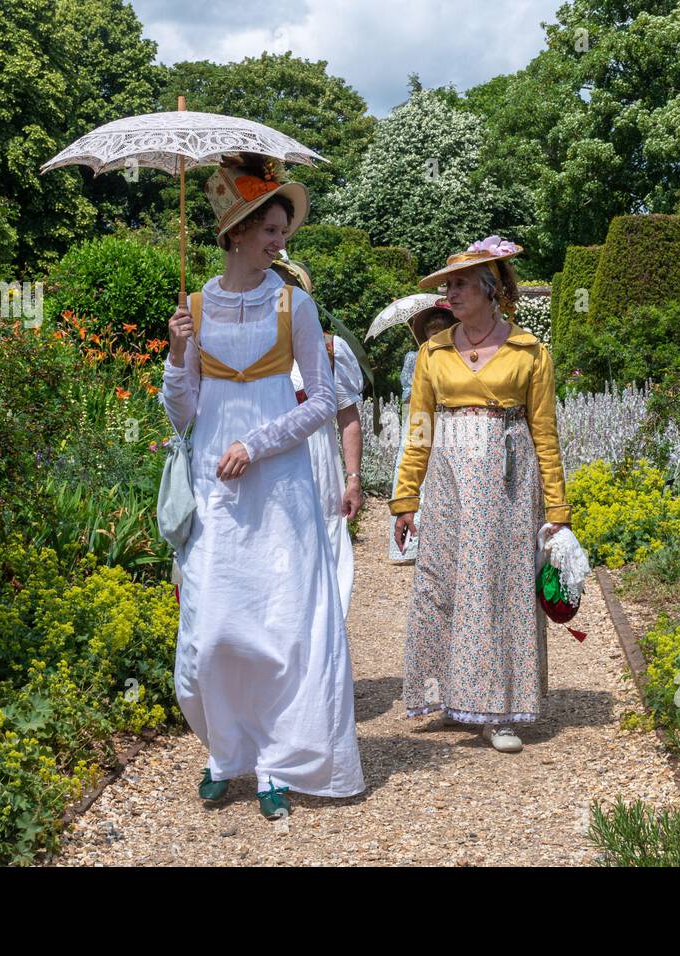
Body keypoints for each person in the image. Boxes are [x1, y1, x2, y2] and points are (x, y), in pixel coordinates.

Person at [161, 153, 365, 818]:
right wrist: (174, 353)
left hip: (277, 487)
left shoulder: (294, 304)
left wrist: (257, 443)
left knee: (282, 624)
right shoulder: (194, 309)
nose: (280, 242)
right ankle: (227, 752)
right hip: (216, 490)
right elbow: (185, 413)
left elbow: (321, 400)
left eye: (283, 231)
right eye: (270, 230)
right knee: (214, 630)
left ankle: (278, 761)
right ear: (237, 232)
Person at [389, 236, 571, 753]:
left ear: (491, 289)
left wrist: (557, 508)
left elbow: (545, 432)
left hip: (508, 482)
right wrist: (406, 498)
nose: (451, 293)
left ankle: (500, 709)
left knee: (498, 588)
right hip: (448, 480)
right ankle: (445, 696)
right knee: (442, 581)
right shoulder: (433, 351)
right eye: (448, 285)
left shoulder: (529, 351)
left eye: (461, 284)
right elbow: (419, 427)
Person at [273, 256, 366, 617]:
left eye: (284, 288)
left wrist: (354, 479)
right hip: (269, 456)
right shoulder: (252, 346)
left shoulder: (330, 349)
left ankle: (327, 630)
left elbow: (348, 418)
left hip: (316, 455)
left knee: (325, 537)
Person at [387, 298, 456, 563]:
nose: (435, 336)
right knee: (414, 470)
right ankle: (411, 542)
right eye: (431, 332)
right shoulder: (416, 358)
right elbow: (408, 394)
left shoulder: (455, 358)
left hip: (448, 424)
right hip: (422, 421)